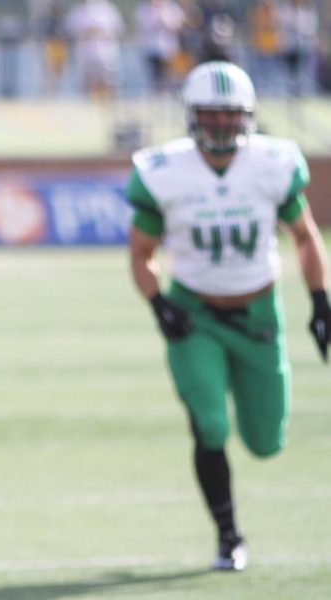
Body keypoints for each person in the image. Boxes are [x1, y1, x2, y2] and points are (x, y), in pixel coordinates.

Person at [126, 61, 330, 571]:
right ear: (192, 117)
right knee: (211, 425)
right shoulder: (166, 172)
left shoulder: (271, 164)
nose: (220, 125)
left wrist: (321, 301)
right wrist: (159, 305)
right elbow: (140, 253)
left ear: (248, 117)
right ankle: (228, 536)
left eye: (229, 115)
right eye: (210, 115)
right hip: (195, 315)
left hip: (259, 313)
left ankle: (229, 528)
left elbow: (304, 237)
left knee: (266, 442)